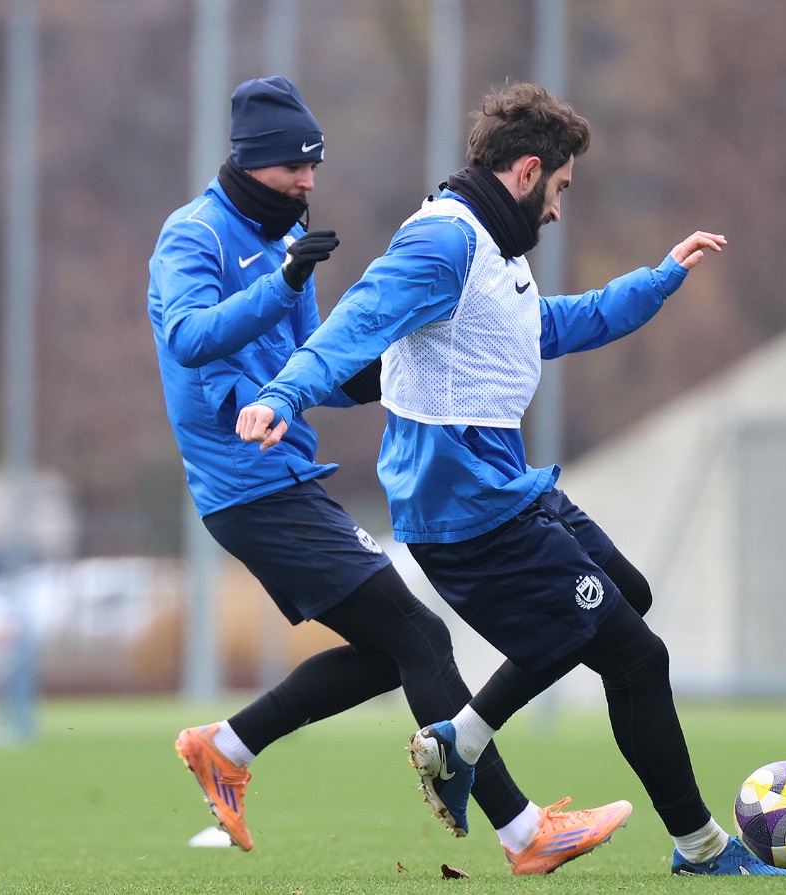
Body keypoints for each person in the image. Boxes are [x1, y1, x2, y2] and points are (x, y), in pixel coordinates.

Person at [234, 81, 786, 877]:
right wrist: (283, 394)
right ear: (527, 171)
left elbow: (547, 326)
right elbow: (355, 325)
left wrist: (656, 281)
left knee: (628, 596)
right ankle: (701, 848)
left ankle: (463, 737)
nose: (558, 210)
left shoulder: (491, 246)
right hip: (467, 509)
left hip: (506, 490)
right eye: (561, 189)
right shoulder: (440, 241)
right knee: (637, 656)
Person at [147, 75, 633, 874]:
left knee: (390, 650)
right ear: (251, 160)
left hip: (285, 474)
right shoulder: (193, 235)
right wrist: (284, 282)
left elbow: (321, 365)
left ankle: (226, 747)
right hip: (245, 484)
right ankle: (523, 832)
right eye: (294, 167)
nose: (308, 181)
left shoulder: (287, 235)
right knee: (420, 637)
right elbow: (191, 337)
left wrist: (401, 358)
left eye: (315, 166)